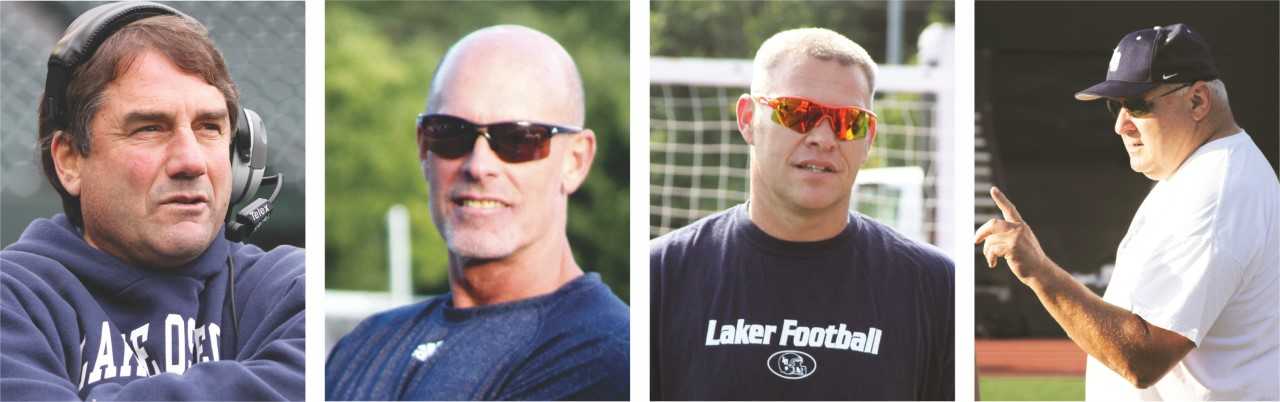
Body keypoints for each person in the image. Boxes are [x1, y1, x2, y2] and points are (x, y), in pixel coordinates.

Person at [0, 2, 304, 401]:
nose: (191, 161)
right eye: (149, 128)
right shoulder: (13, 300)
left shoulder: (291, 288)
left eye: (209, 128)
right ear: (70, 160)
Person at [324, 25, 629, 400]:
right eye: (450, 133)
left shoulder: (608, 357)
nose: (479, 164)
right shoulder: (363, 347)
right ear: (423, 148)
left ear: (576, 160)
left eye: (518, 140)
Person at [975, 23, 1278, 400]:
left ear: (1198, 101)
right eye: (1115, 106)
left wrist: (1038, 271)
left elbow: (1142, 358)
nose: (1121, 124)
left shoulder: (1216, 192)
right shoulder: (1204, 172)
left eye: (1138, 104)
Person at [650, 28, 955, 400]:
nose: (823, 138)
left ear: (869, 137)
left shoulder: (936, 286)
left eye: (847, 121)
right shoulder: (662, 274)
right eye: (798, 113)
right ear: (748, 119)